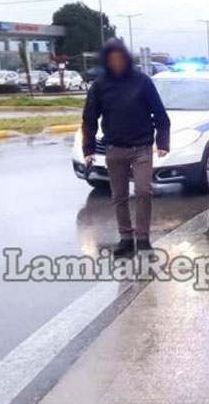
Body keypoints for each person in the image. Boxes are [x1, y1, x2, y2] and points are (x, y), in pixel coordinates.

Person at [81, 39, 170, 257]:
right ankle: (126, 238)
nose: (116, 63)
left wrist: (162, 142)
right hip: (115, 148)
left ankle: (143, 238)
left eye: (120, 58)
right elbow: (89, 119)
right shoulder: (100, 86)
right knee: (119, 196)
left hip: (141, 147)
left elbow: (160, 115)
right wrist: (88, 149)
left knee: (143, 191)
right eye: (111, 60)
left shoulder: (142, 82)